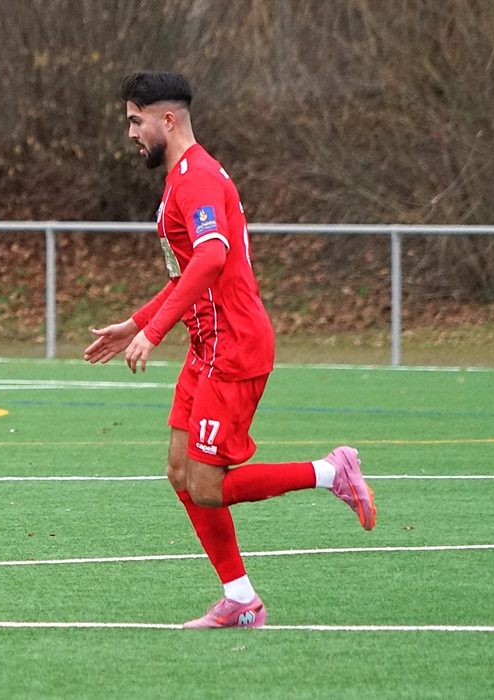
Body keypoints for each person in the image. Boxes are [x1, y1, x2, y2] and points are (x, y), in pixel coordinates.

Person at [84, 71, 377, 629]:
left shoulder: (196, 179)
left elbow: (213, 257)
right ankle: (240, 599)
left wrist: (154, 333)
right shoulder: (181, 179)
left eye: (136, 121)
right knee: (179, 471)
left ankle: (330, 471)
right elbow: (187, 275)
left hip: (234, 345)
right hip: (206, 345)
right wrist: (136, 324)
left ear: (167, 119)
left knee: (207, 486)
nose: (131, 134)